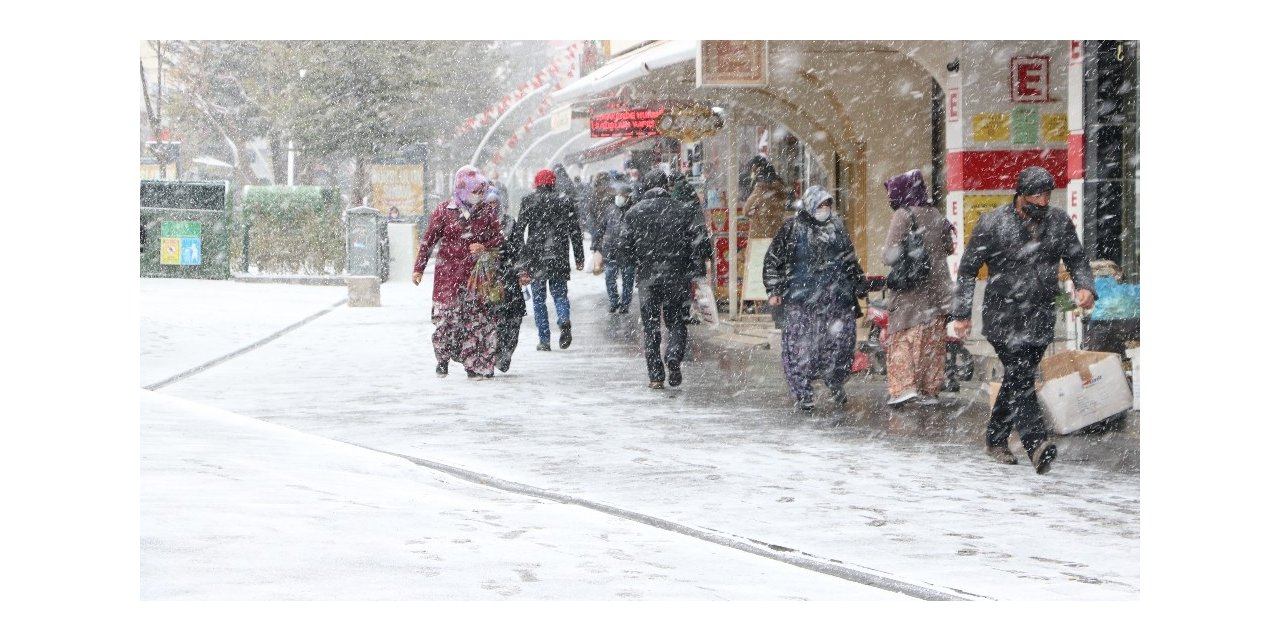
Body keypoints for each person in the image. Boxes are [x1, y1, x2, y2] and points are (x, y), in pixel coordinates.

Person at [952, 166, 1096, 474]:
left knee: (1019, 377)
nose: (1043, 203)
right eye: (1036, 196)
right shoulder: (992, 224)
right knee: (1019, 372)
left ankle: (995, 438)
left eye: (1047, 195)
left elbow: (1076, 257)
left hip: (1040, 316)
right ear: (1020, 196)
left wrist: (1084, 286)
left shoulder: (1058, 222)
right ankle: (1036, 443)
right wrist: (962, 313)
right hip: (1003, 316)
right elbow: (967, 270)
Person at [763, 185, 869, 411]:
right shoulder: (792, 228)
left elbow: (849, 259)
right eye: (820, 205)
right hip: (802, 300)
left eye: (827, 205)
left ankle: (836, 381)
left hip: (836, 299)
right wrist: (774, 290)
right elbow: (773, 260)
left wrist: (859, 284)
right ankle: (803, 393)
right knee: (801, 349)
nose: (824, 209)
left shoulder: (837, 228)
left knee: (839, 347)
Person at [412, 165, 505, 379]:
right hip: (449, 276)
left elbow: (500, 238)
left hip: (476, 277)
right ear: (462, 190)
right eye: (475, 191)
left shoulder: (487, 212)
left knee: (477, 322)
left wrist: (484, 245)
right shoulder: (444, 211)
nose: (479, 196)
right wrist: (419, 268)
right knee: (447, 321)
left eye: (482, 191)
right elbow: (428, 241)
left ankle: (475, 365)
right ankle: (443, 358)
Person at [617, 168, 699, 389]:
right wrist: (693, 268)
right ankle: (673, 355)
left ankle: (655, 375)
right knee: (676, 322)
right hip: (676, 275)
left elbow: (623, 246)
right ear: (667, 186)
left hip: (647, 278)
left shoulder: (634, 213)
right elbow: (696, 242)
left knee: (650, 327)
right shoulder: (681, 210)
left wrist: (636, 261)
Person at [880, 169, 955, 406]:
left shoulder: (903, 215)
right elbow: (949, 248)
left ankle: (904, 388)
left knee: (904, 338)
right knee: (932, 341)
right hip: (938, 289)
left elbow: (889, 256)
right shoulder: (935, 214)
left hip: (911, 290)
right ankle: (929, 389)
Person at [513, 168, 585, 351]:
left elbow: (519, 231)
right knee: (560, 294)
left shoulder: (528, 201)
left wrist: (522, 257)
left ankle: (544, 340)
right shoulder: (565, 201)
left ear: (536, 184)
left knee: (539, 300)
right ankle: (563, 319)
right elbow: (575, 231)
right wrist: (579, 257)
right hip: (558, 254)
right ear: (554, 183)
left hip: (535, 257)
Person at [488, 185, 526, 373]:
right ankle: (496, 354)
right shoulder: (479, 224)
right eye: (489, 204)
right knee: (497, 318)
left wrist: (521, 271)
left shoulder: (510, 222)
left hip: (509, 276)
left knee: (514, 318)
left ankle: (506, 352)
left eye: (495, 203)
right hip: (489, 279)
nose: (492, 207)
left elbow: (519, 248)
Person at [592, 180, 637, 314]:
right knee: (610, 277)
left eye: (622, 194)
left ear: (628, 196)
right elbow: (601, 228)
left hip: (628, 250)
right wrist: (595, 244)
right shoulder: (610, 210)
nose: (619, 197)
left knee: (628, 279)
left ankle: (625, 303)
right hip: (610, 249)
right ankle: (613, 301)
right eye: (618, 194)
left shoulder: (634, 211)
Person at [744, 162, 791, 241]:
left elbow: (746, 210)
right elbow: (785, 208)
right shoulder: (781, 190)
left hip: (760, 236)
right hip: (778, 235)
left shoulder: (760, 190)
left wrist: (756, 212)